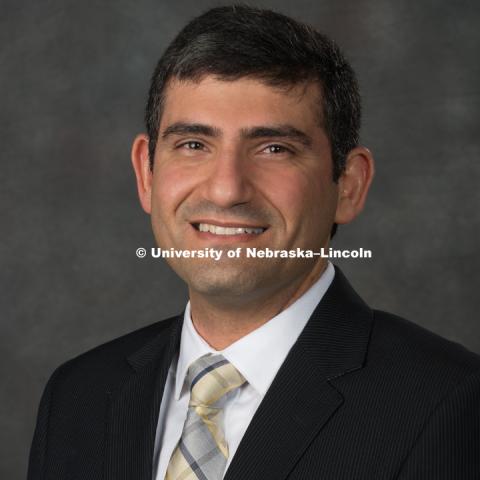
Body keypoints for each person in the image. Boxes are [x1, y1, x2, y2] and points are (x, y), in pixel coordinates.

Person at [28, 5, 480, 480]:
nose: (226, 189)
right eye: (193, 145)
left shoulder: (449, 405)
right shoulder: (78, 396)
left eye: (274, 149)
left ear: (348, 185)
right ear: (146, 173)